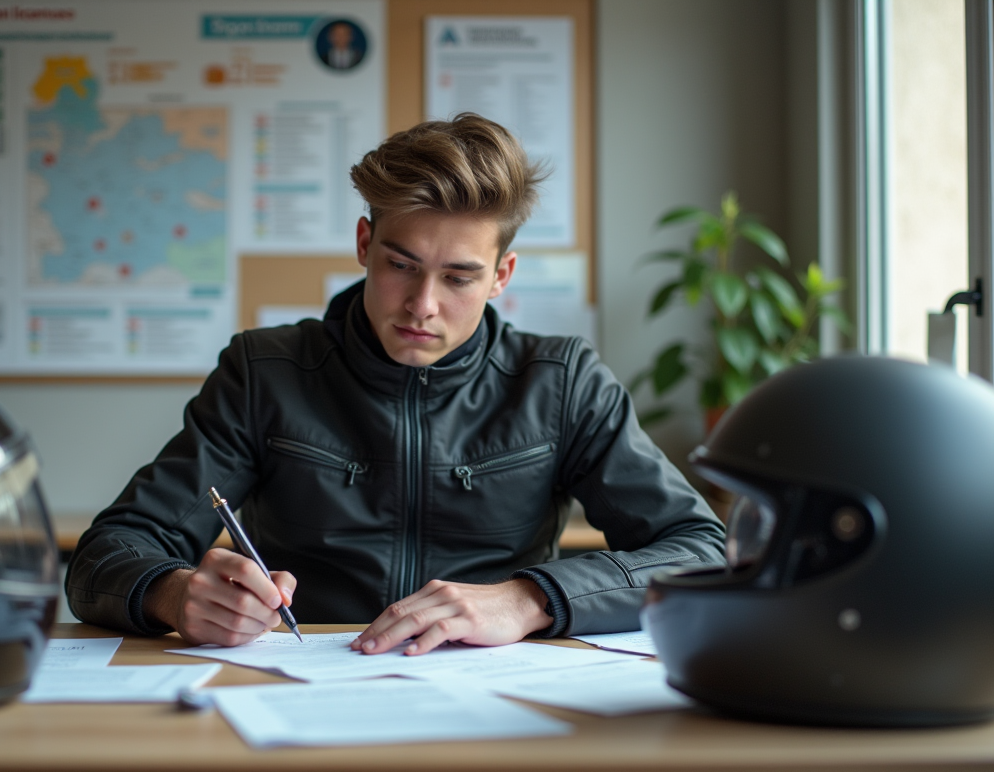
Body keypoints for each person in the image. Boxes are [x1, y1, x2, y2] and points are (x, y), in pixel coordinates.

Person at [65, 113, 725, 655]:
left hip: (495, 730)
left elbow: (703, 552)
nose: (421, 305)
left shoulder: (561, 383)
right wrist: (174, 592)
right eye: (400, 265)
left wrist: (528, 599)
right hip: (302, 722)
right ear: (363, 242)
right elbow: (103, 556)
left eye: (459, 277)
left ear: (502, 275)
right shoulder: (263, 373)